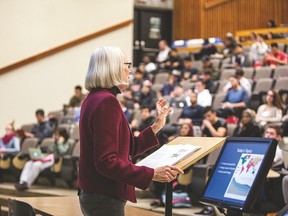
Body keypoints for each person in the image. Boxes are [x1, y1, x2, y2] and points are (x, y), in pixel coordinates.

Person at [77, 46, 183, 216]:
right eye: (127, 65)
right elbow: (106, 161)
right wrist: (151, 174)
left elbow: (126, 149)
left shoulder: (93, 98)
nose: (129, 71)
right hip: (104, 196)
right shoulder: (106, 102)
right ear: (112, 68)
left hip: (96, 194)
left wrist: (156, 126)